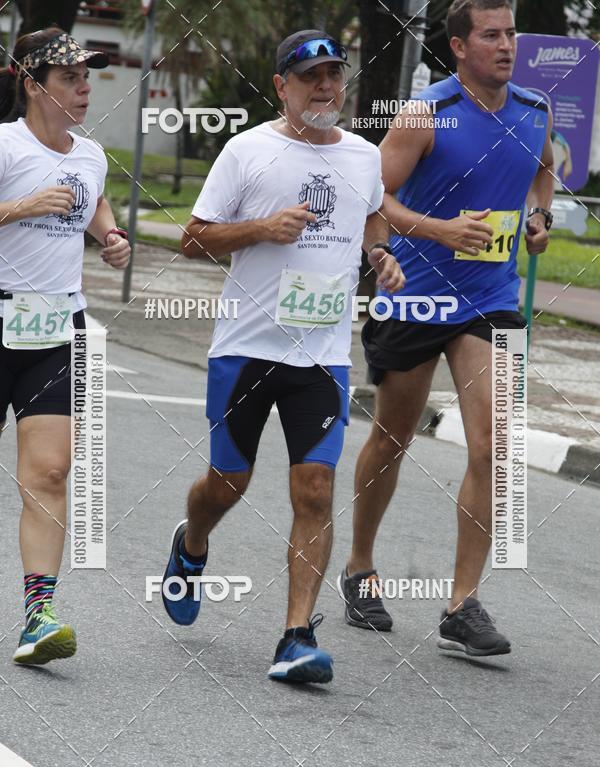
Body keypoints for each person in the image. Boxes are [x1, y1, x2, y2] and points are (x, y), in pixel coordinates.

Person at [162, 30, 405, 684]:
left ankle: (297, 634)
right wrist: (260, 229)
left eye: (333, 74)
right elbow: (192, 238)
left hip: (323, 356)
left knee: (316, 489)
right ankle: (191, 544)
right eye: (309, 77)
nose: (324, 87)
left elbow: (375, 215)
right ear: (281, 87)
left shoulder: (362, 156)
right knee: (227, 484)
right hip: (245, 349)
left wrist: (381, 255)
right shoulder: (248, 152)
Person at [338, 0, 554, 656]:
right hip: (415, 296)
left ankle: (462, 602)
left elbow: (545, 171)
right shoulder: (425, 112)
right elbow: (373, 194)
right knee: (392, 436)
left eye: (510, 33)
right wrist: (438, 230)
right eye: (491, 35)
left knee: (495, 443)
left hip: (492, 298)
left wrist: (541, 218)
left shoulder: (533, 111)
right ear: (459, 47)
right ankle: (358, 567)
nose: (506, 45)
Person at [0, 28, 131, 665]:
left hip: (57, 328)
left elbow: (95, 198)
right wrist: (19, 206)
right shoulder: (4, 146)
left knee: (51, 473)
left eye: (88, 78)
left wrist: (109, 235)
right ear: (31, 84)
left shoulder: (90, 154)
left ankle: (38, 617)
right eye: (69, 79)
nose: (84, 89)